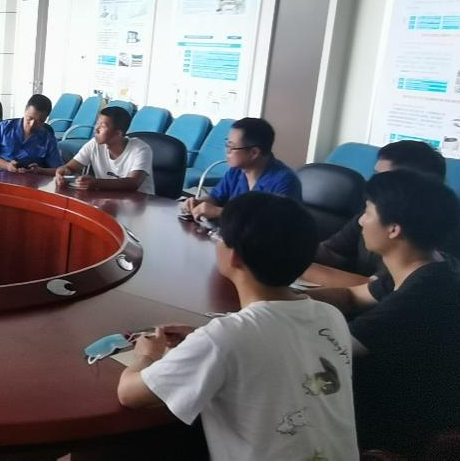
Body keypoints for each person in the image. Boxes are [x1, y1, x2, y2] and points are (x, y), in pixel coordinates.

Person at [117, 192, 358, 460]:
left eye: (219, 236)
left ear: (234, 257)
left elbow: (129, 394)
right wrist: (203, 338)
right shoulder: (330, 316)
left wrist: (147, 355)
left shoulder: (224, 339)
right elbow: (272, 345)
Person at [307, 170, 460, 453]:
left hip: (407, 428)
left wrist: (269, 311)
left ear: (394, 229)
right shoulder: (431, 265)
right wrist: (288, 299)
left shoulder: (424, 293)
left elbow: (330, 346)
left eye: (368, 212)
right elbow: (351, 296)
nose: (360, 221)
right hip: (394, 396)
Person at [315, 139, 460, 276]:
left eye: (384, 178)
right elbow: (332, 252)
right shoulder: (374, 213)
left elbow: (382, 291)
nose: (374, 183)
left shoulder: (435, 236)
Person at [181, 118, 301, 220]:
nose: (226, 151)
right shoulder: (236, 171)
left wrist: (219, 212)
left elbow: (270, 224)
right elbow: (216, 197)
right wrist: (199, 202)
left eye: (231, 147)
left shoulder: (284, 181)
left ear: (254, 153)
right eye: (227, 144)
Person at [54, 105, 155, 194]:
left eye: (102, 126)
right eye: (97, 124)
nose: (96, 129)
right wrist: (63, 172)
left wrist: (96, 183)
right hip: (107, 198)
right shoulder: (94, 144)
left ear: (118, 133)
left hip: (139, 202)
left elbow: (133, 183)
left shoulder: (141, 149)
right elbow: (70, 167)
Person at [0, 94, 63, 174]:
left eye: (39, 121)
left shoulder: (48, 138)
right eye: (29, 118)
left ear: (45, 119)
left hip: (30, 179)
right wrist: (7, 165)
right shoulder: (5, 127)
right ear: (25, 111)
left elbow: (58, 170)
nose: (32, 124)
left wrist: (40, 170)